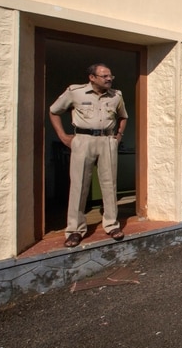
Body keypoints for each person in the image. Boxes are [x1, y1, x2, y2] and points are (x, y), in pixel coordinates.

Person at [49, 63, 128, 248]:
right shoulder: (75, 92)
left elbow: (123, 116)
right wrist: (62, 136)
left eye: (111, 76)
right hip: (83, 140)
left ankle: (111, 224)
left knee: (109, 185)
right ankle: (75, 230)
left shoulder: (116, 95)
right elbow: (54, 111)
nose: (109, 79)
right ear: (92, 77)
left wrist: (118, 136)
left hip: (107, 141)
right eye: (104, 76)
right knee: (79, 185)